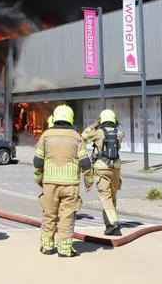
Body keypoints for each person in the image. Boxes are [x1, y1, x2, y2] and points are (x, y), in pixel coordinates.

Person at [33, 104, 92, 258]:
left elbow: (38, 161)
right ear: (70, 118)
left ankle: (47, 246)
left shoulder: (45, 135)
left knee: (49, 215)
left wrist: (38, 178)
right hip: (70, 184)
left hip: (50, 183)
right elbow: (85, 162)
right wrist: (89, 180)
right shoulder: (77, 137)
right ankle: (65, 249)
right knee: (67, 216)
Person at [82, 108, 125, 235]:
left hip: (101, 167)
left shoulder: (98, 132)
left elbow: (82, 138)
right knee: (113, 197)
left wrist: (93, 126)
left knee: (105, 196)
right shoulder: (119, 133)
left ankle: (113, 223)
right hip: (116, 167)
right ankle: (109, 225)